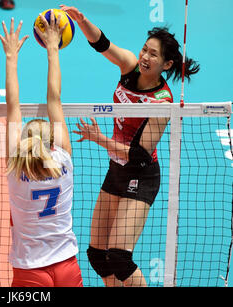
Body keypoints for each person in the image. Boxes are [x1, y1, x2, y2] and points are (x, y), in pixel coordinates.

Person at [60, 4, 199, 287]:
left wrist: (99, 139)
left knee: (120, 258)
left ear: (167, 65)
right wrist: (82, 20)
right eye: (145, 49)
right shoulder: (129, 68)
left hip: (142, 175)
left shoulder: (162, 102)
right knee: (98, 256)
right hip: (117, 170)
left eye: (154, 54)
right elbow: (103, 44)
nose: (145, 56)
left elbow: (139, 154)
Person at [0, 15, 83, 287]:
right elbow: (54, 98)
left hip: (30, 270)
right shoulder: (63, 158)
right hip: (68, 264)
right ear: (52, 141)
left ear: (23, 142)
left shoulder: (16, 165)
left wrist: (11, 56)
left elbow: (12, 105)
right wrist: (53, 48)